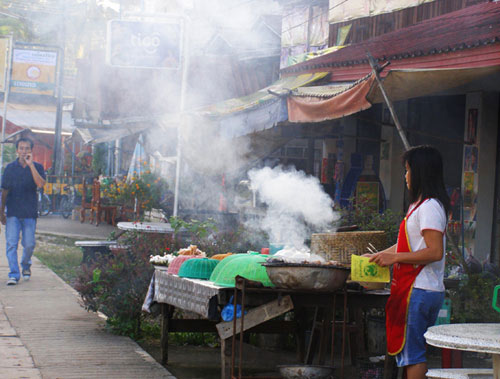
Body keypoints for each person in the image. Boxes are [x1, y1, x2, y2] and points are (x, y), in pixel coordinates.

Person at [368, 145, 449, 379]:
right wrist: (380, 255)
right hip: (419, 289)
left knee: (413, 355)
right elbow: (408, 246)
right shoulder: (419, 206)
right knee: (411, 353)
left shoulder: (431, 207)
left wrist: (394, 258)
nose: (405, 176)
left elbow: (434, 251)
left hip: (420, 290)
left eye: (407, 170)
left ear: (420, 172)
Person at [0, 138, 46, 285]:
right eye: (21, 148)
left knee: (29, 244)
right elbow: (5, 191)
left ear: (31, 151)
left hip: (29, 212)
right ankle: (14, 274)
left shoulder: (37, 167)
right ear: (17, 150)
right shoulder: (10, 168)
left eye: (27, 148)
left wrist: (30, 164)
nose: (24, 151)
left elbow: (40, 184)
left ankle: (26, 266)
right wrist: (1, 212)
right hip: (13, 212)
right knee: (11, 244)